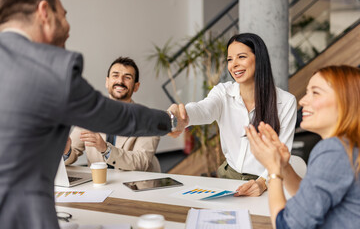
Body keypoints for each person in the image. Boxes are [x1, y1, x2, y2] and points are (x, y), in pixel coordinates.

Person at [0, 0, 187, 228]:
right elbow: (115, 116)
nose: (68, 26)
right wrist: (170, 120)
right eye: (64, 15)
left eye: (127, 77)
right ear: (44, 12)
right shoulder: (54, 68)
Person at [169, 33, 297, 196]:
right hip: (227, 179)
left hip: (266, 183)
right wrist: (181, 116)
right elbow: (203, 110)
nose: (234, 65)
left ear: (259, 59)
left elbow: (282, 152)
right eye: (230, 59)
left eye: (241, 57)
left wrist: (262, 183)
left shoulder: (286, 102)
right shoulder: (223, 92)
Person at [246, 65, 360, 228]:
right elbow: (311, 200)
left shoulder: (334, 149)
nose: (303, 101)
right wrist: (283, 165)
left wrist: (273, 170)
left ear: (346, 101)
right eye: (307, 92)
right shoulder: (348, 146)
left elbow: (286, 224)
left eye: (315, 92)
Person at [64, 57, 162, 172]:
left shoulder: (148, 120)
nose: (120, 81)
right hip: (101, 185)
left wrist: (105, 149)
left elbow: (141, 162)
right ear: (107, 81)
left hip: (136, 186)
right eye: (115, 75)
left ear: (136, 86)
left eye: (127, 77)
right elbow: (73, 151)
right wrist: (66, 151)